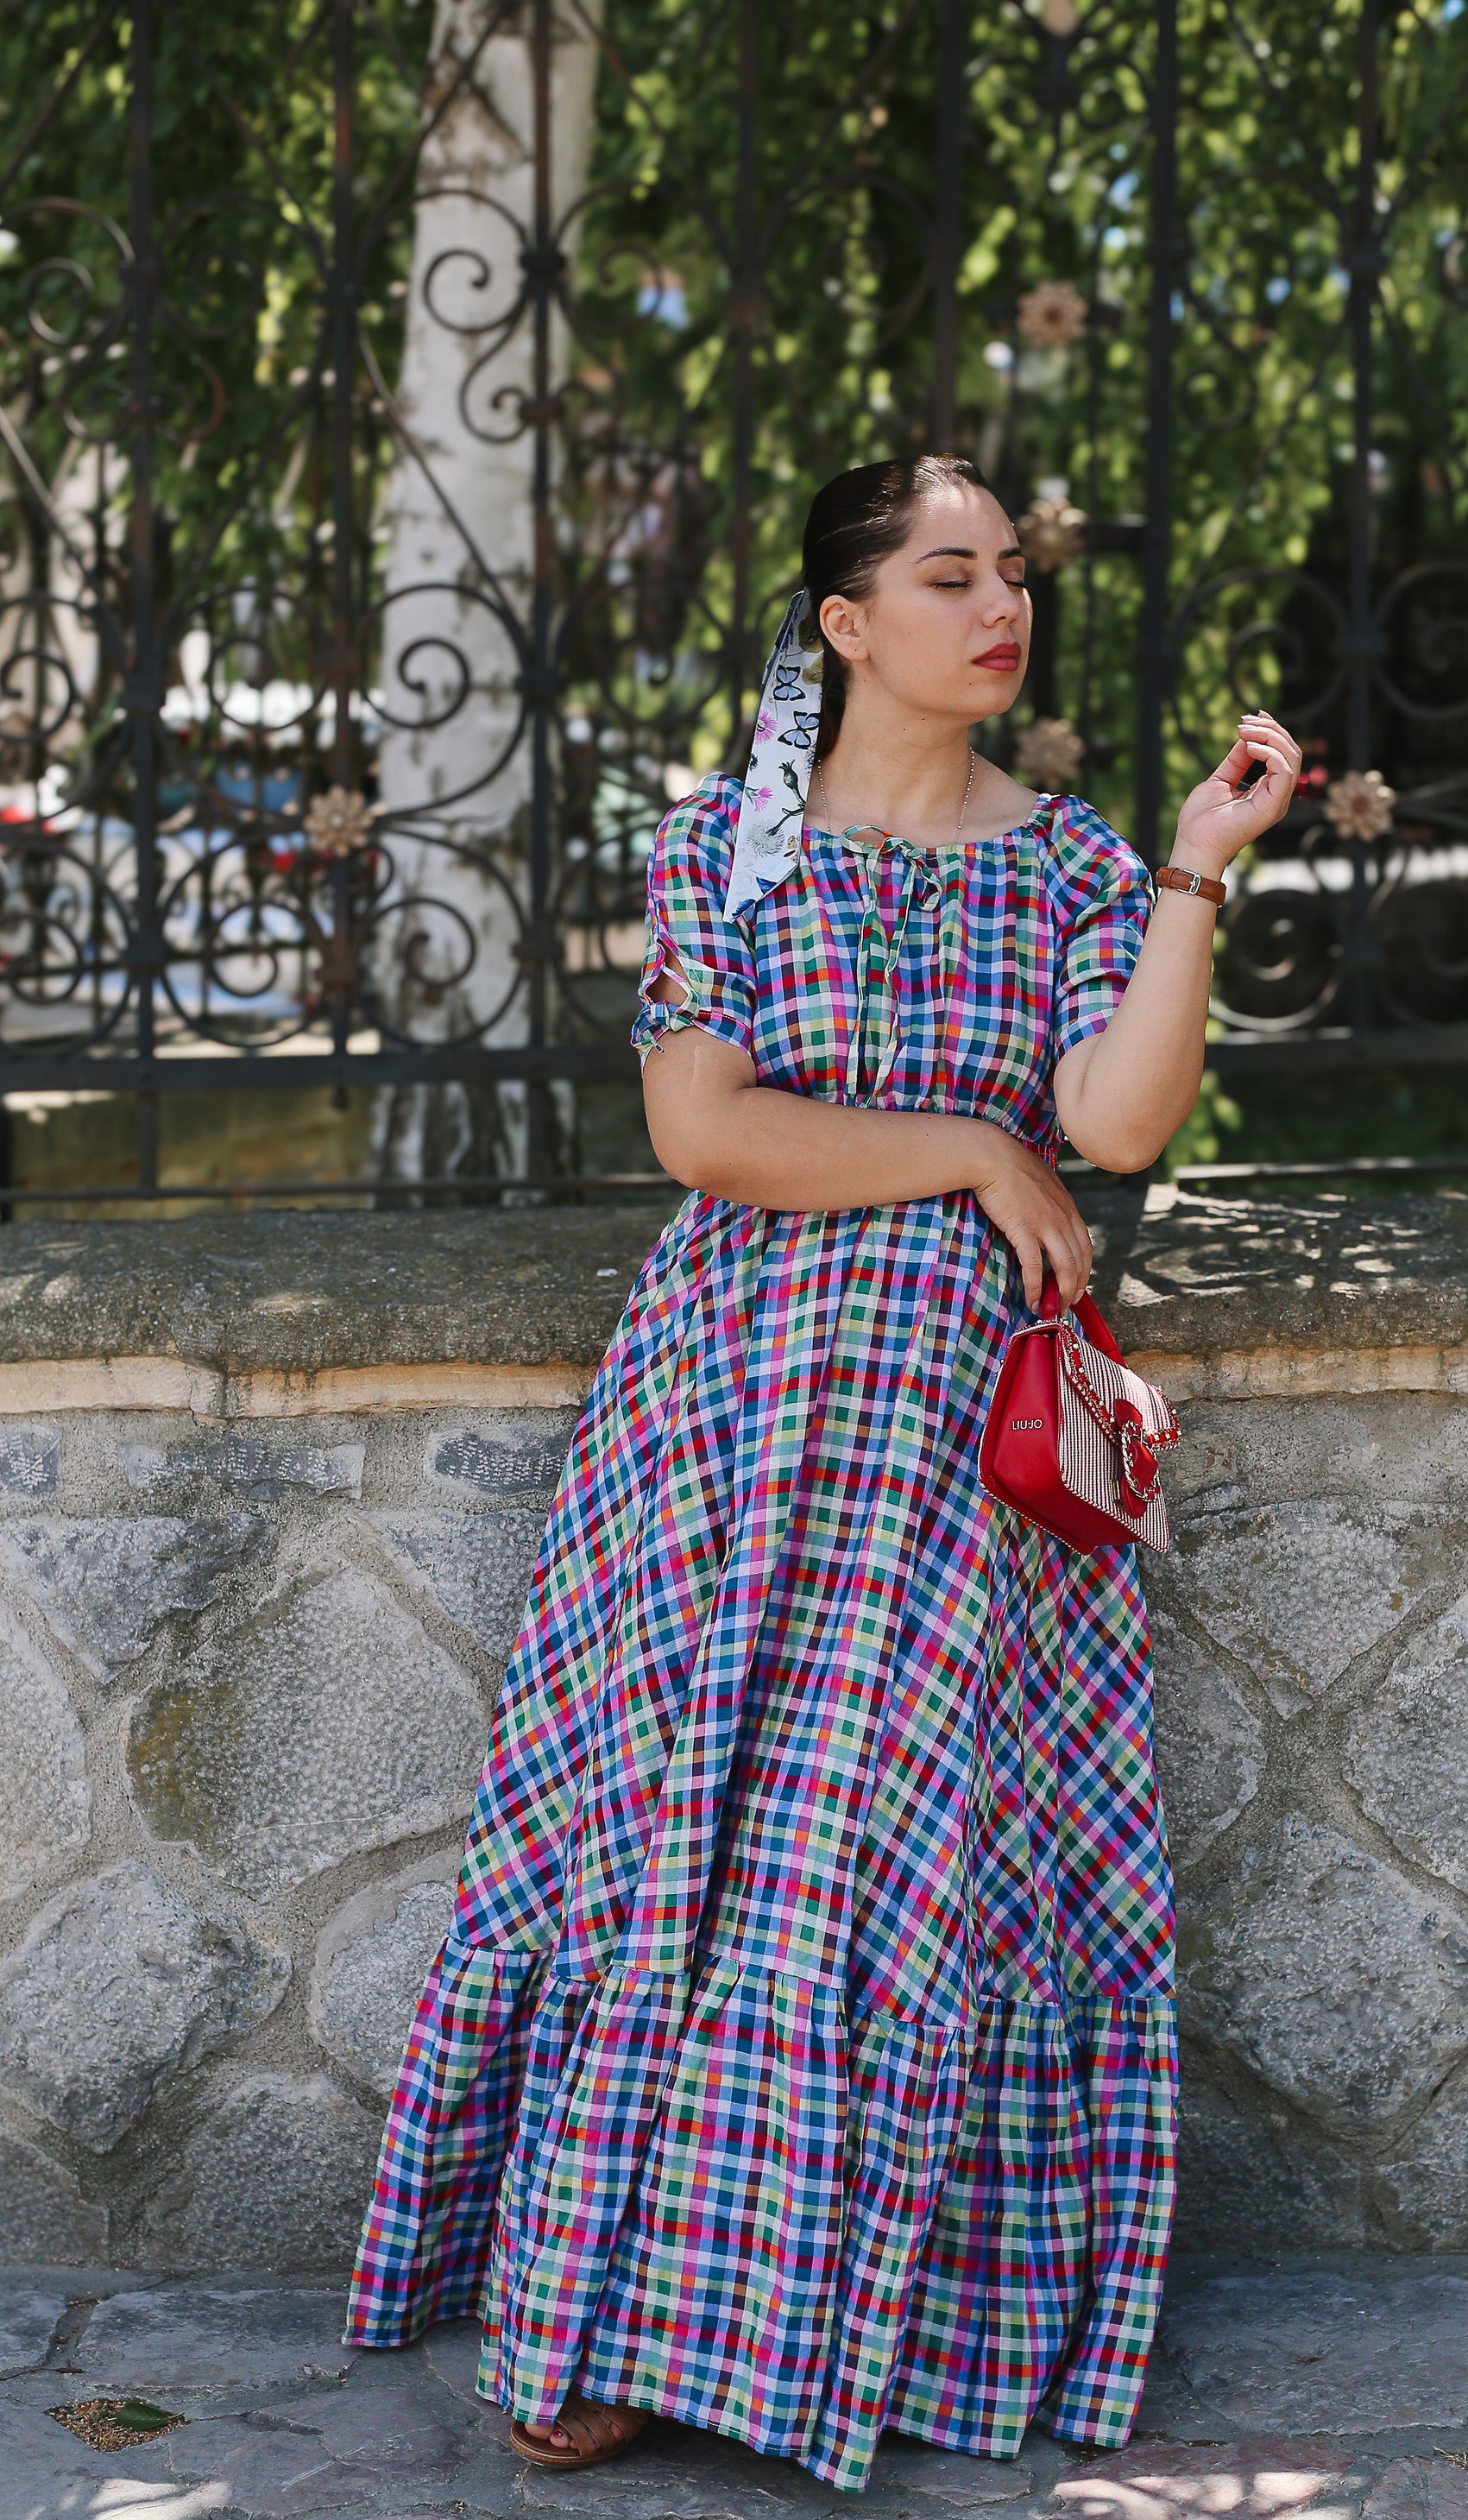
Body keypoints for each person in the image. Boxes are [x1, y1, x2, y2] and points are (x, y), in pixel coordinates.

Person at [343, 452, 1301, 2492]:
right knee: (670, 1858)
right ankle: (601, 2328)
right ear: (846, 622)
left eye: (1014, 575)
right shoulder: (731, 845)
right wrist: (963, 1147)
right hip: (720, 1419)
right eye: (947, 573)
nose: (998, 604)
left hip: (958, 1449)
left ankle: (830, 2343)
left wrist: (1200, 871)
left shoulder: (1074, 864)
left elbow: (1113, 1122)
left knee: (876, 1867)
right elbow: (709, 1129)